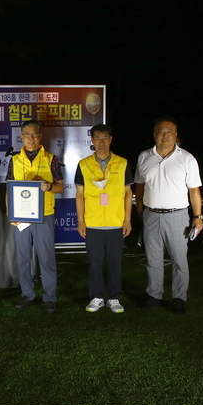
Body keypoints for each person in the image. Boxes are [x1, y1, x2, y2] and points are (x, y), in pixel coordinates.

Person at [134, 116, 203, 314]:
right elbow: (139, 188)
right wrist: (141, 212)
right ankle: (154, 294)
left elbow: (194, 191)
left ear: (176, 135)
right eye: (160, 132)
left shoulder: (187, 158)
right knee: (153, 258)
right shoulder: (144, 157)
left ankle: (179, 297)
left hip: (177, 216)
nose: (165, 135)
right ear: (154, 135)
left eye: (169, 132)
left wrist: (197, 216)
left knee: (179, 260)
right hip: (151, 215)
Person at [6, 120, 64, 314]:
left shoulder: (51, 159)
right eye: (27, 134)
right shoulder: (14, 160)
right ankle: (27, 294)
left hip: (44, 215)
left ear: (40, 136)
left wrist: (49, 186)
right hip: (21, 217)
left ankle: (49, 297)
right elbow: (9, 189)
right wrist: (10, 213)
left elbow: (60, 186)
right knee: (23, 257)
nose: (31, 138)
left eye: (34, 134)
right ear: (21, 137)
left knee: (46, 258)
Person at [75, 124, 133, 313]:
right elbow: (79, 195)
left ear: (110, 139)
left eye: (105, 138)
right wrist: (81, 221)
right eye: (97, 138)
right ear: (92, 141)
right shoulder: (83, 164)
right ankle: (97, 296)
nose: (101, 142)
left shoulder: (122, 163)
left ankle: (114, 297)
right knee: (95, 262)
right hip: (93, 223)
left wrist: (127, 220)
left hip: (116, 222)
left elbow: (127, 193)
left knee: (115, 262)